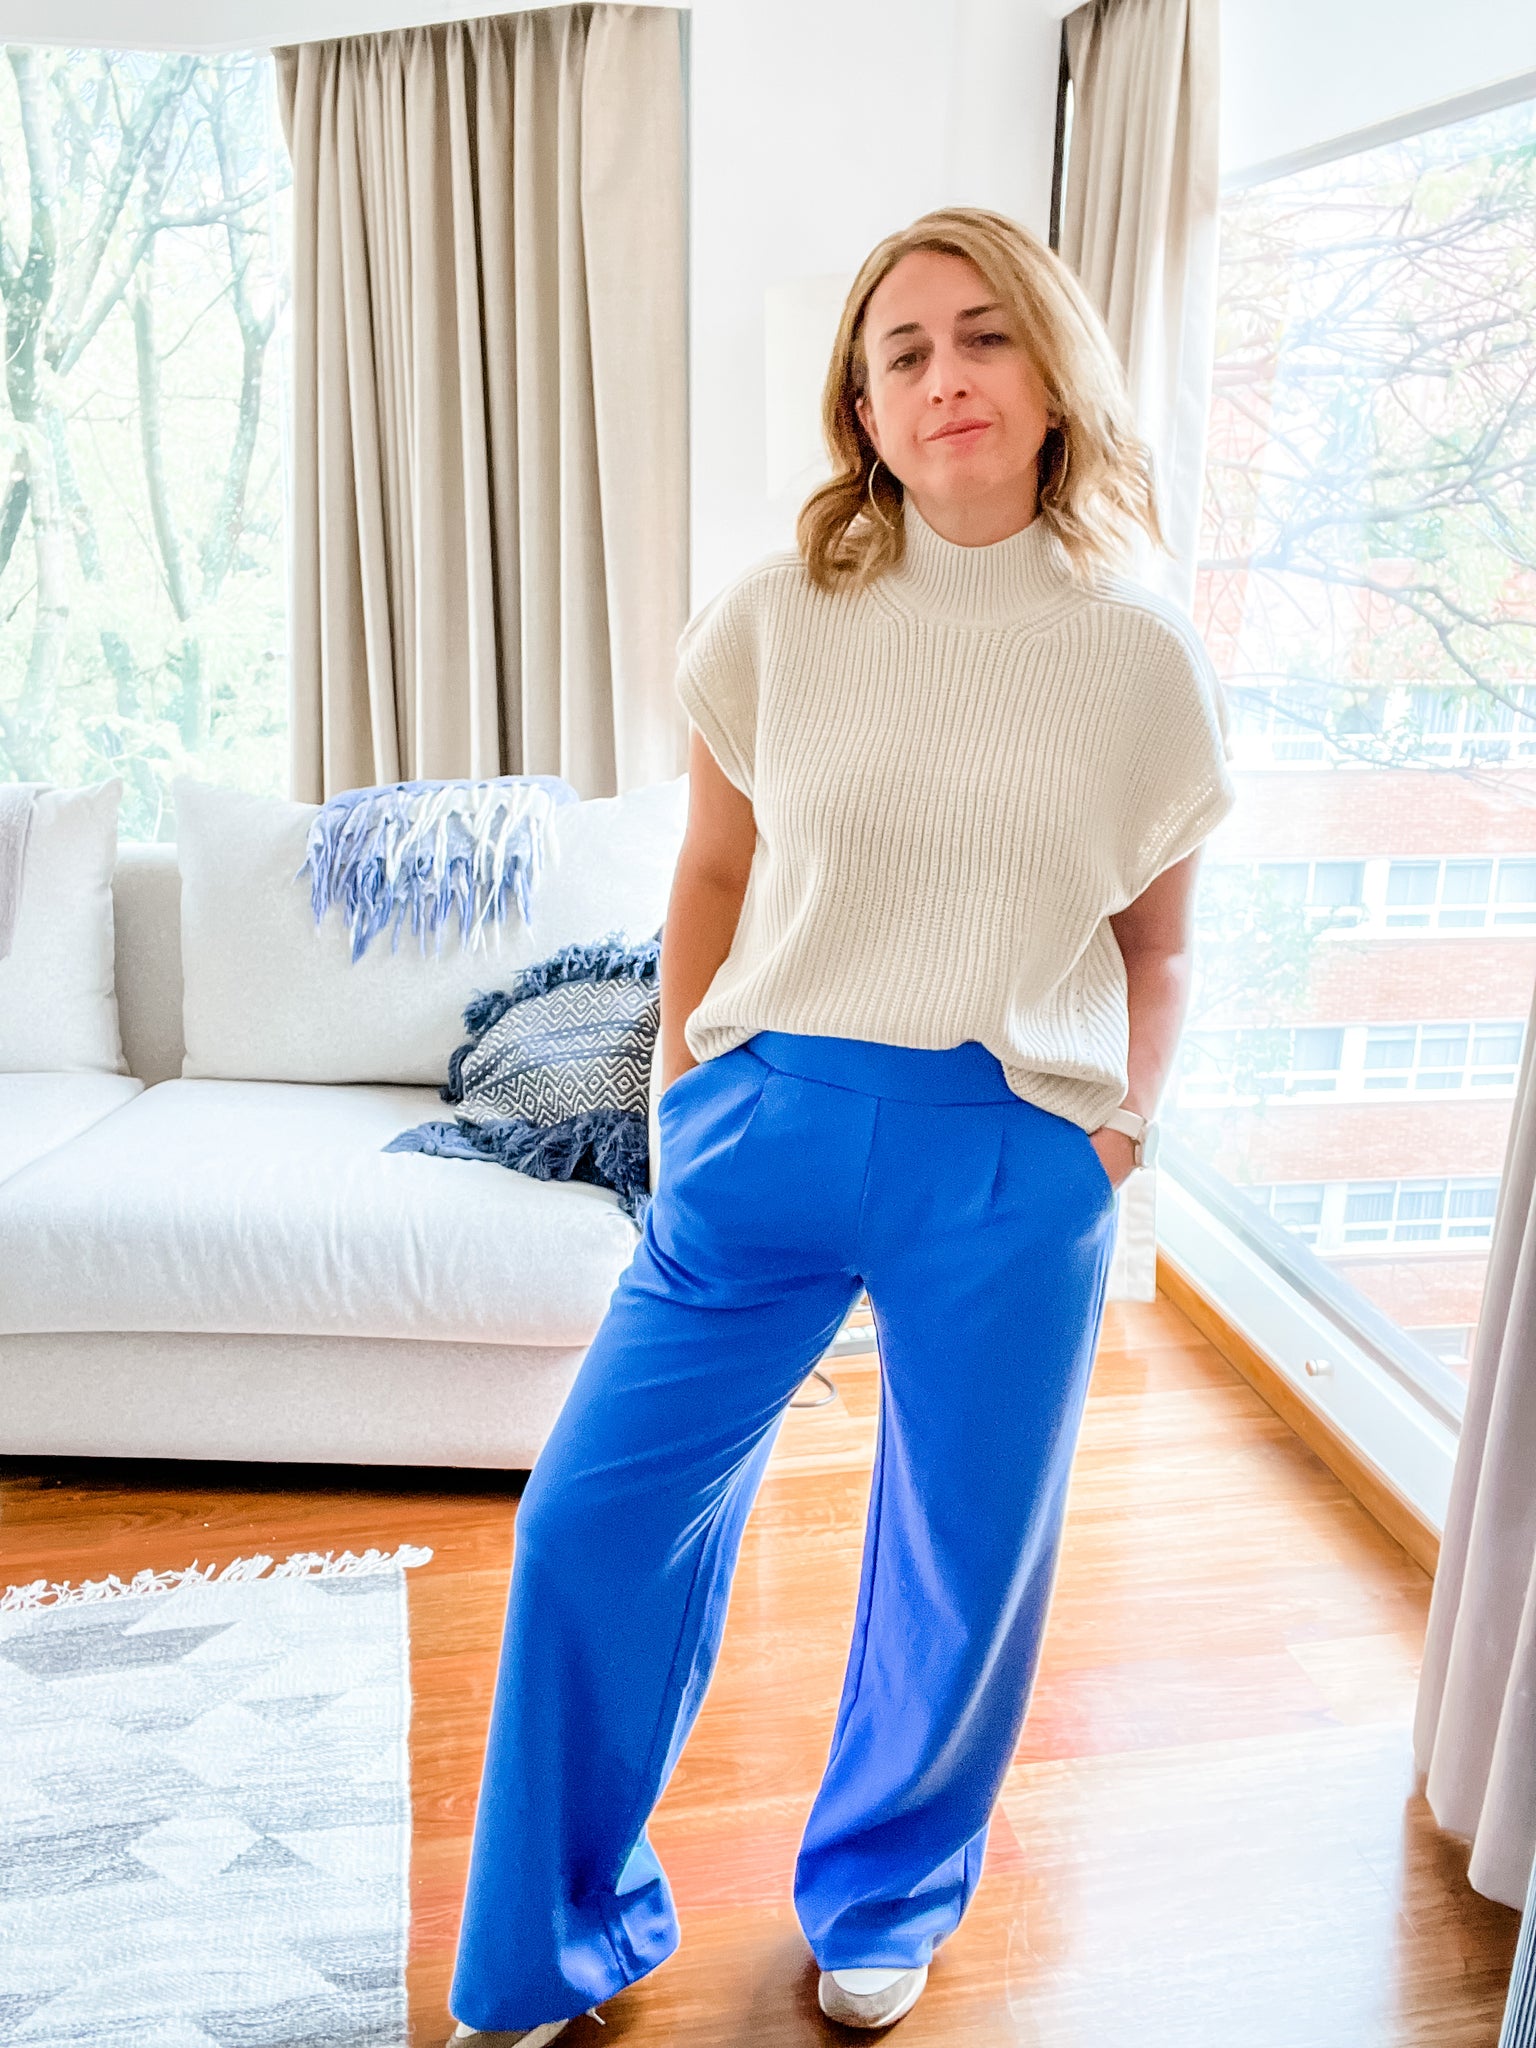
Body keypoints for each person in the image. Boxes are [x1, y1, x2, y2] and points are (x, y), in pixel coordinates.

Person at [445, 205, 1238, 2045]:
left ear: (1055, 379)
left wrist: (1115, 1138)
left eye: (985, 335)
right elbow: (712, 878)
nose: (946, 375)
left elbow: (1161, 947)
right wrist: (682, 1107)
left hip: (1011, 1153)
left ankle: (886, 1897)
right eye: (905, 351)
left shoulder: (1141, 655)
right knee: (588, 1524)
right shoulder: (775, 619)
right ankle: (551, 1935)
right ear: (864, 408)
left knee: (965, 1560)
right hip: (770, 1124)